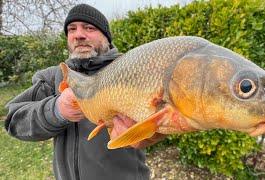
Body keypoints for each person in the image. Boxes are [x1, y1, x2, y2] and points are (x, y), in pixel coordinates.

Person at [5, 4, 165, 180]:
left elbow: (161, 118)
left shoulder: (132, 68)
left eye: (89, 28)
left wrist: (148, 135)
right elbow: (14, 121)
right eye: (71, 29)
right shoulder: (54, 77)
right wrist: (57, 110)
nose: (78, 35)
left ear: (106, 36)